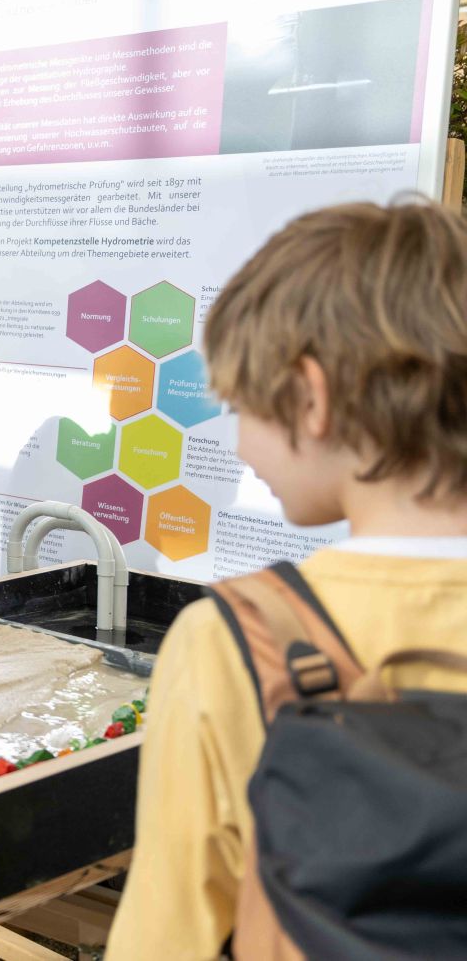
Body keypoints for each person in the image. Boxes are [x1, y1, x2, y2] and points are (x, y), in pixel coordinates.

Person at [108, 199, 467, 958]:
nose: (240, 445)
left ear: (310, 397)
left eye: (241, 405)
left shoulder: (233, 640)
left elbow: (166, 937)